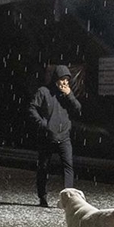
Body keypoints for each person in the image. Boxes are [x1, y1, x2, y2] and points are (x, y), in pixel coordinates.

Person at [28, 64, 81, 208]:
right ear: (56, 79)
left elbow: (78, 109)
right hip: (47, 137)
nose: (64, 83)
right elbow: (32, 107)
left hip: (64, 136)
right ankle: (42, 196)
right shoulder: (44, 91)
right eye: (62, 79)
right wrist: (43, 124)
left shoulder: (66, 95)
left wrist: (69, 94)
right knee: (43, 167)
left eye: (67, 80)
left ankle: (68, 198)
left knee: (68, 166)